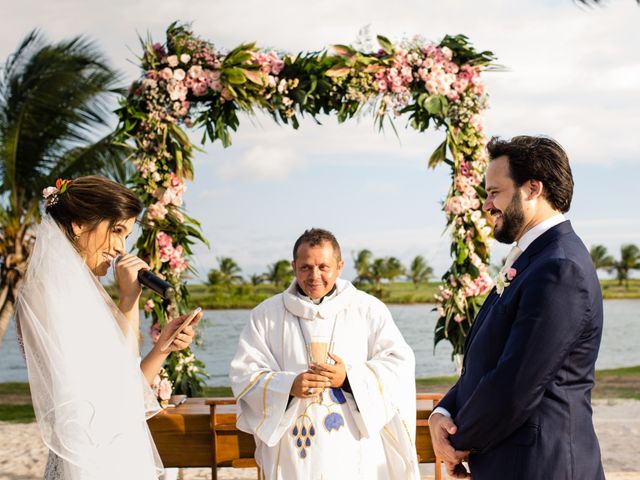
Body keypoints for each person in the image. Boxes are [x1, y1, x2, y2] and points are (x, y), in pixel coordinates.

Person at [429, 136, 604, 479]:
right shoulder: (534, 259)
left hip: (542, 466)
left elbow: (517, 382)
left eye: (494, 192)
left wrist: (457, 441)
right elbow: (488, 361)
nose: (487, 205)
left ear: (532, 189)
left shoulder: (560, 267)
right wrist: (442, 412)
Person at [16, 176, 202, 480]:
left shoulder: (89, 293)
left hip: (120, 449)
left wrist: (161, 348)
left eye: (126, 235)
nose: (120, 248)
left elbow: (128, 387)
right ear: (78, 223)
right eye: (116, 231)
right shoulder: (43, 293)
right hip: (91, 458)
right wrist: (129, 299)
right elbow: (99, 399)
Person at [229, 228, 420, 479]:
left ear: (339, 267)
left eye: (323, 267)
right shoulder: (266, 315)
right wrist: (288, 386)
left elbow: (400, 365)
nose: (314, 275)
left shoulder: (368, 309)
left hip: (355, 445)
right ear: (294, 266)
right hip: (295, 448)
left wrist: (349, 379)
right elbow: (245, 374)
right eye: (306, 267)